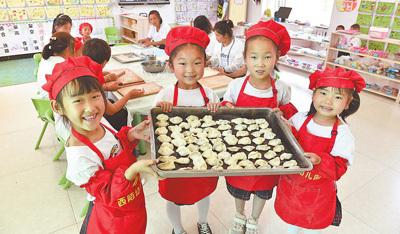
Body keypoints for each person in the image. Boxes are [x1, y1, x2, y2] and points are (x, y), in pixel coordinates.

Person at [42, 56, 157, 234]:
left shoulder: (100, 122)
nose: (91, 108)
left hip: (132, 202)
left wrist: (132, 134)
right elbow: (109, 193)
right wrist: (133, 170)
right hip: (113, 217)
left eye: (95, 96)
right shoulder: (80, 155)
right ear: (58, 107)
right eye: (78, 100)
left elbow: (114, 144)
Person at [221, 20, 298, 234]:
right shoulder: (236, 86)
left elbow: (290, 113)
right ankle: (239, 215)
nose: (260, 63)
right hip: (239, 149)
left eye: (267, 57)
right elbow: (225, 106)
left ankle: (254, 218)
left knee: (263, 189)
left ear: (277, 58)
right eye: (253, 57)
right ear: (245, 58)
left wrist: (284, 116)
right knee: (239, 186)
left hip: (269, 153)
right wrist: (227, 107)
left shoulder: (281, 89)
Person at [274, 67, 365, 234]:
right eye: (323, 93)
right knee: (292, 223)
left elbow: (339, 168)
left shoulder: (344, 135)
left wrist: (320, 160)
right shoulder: (299, 119)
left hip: (317, 197)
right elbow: (287, 144)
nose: (328, 101)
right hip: (291, 188)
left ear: (347, 103)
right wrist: (286, 127)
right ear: (313, 94)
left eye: (337, 97)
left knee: (312, 229)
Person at [153, 26, 220, 234]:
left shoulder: (209, 95)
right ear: (171, 66)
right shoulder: (165, 95)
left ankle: (202, 222)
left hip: (204, 156)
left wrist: (215, 111)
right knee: (173, 197)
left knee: (203, 192)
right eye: (182, 63)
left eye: (197, 63)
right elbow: (155, 129)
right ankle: (178, 229)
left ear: (205, 64)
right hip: (174, 160)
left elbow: (218, 129)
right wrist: (159, 110)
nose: (190, 70)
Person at [82, 38, 145, 130]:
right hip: (95, 120)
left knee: (112, 100)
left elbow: (96, 81)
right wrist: (129, 95)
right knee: (125, 112)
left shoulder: (84, 68)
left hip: (87, 112)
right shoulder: (91, 81)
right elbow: (112, 110)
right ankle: (120, 137)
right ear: (104, 62)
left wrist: (107, 82)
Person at [36, 32, 75, 99]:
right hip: (56, 102)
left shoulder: (45, 59)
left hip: (43, 102)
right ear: (68, 49)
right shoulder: (63, 64)